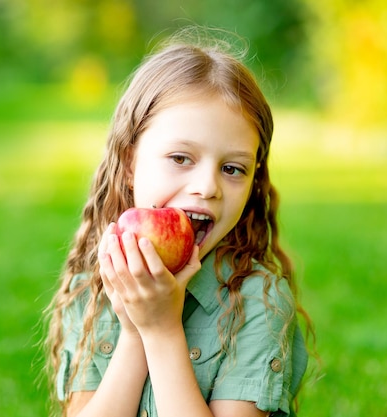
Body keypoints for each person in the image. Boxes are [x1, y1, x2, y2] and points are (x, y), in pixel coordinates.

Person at [44, 28, 315, 417]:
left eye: (232, 168)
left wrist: (161, 330)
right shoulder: (93, 289)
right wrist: (135, 331)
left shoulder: (258, 303)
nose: (207, 187)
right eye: (181, 158)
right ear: (128, 164)